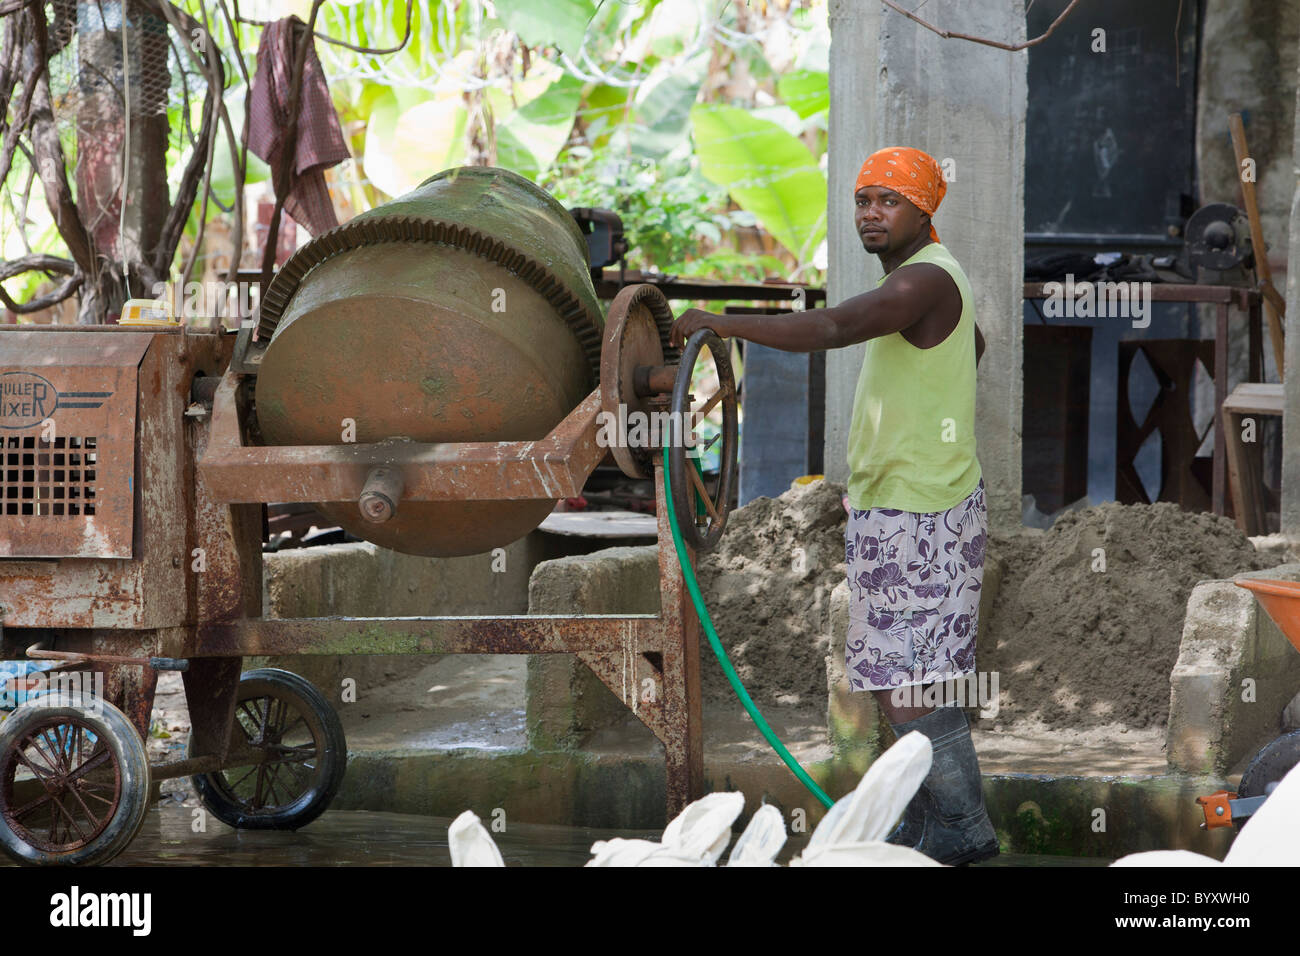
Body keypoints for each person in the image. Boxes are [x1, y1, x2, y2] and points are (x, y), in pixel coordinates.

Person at [669, 146, 997, 865]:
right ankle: (925, 824)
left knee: (906, 682)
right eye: (862, 200)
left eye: (889, 201)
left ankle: (963, 828)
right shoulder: (940, 284)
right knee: (897, 676)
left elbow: (830, 328)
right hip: (909, 500)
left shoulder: (922, 281)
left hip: (920, 509)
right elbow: (970, 346)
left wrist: (722, 324)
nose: (871, 214)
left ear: (924, 210)